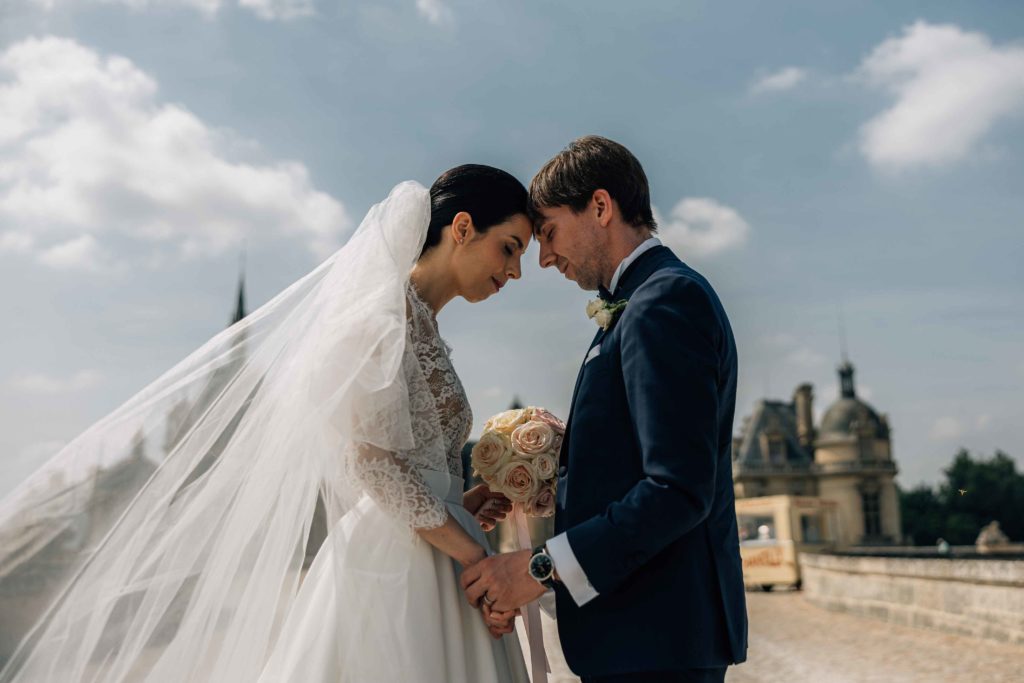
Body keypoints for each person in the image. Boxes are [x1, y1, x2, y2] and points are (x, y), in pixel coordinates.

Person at [0, 165, 531, 682]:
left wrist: (460, 506)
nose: (515, 272)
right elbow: (371, 464)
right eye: (509, 248)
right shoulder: (377, 318)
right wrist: (472, 556)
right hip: (398, 570)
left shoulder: (428, 330)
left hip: (440, 550)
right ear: (463, 228)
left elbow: (411, 469)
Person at [461, 136, 749, 682]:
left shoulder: (662, 301)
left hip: (656, 642)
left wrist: (539, 568)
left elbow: (677, 489)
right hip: (644, 638)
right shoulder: (642, 300)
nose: (544, 258)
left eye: (548, 232)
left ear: (599, 206)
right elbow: (636, 464)